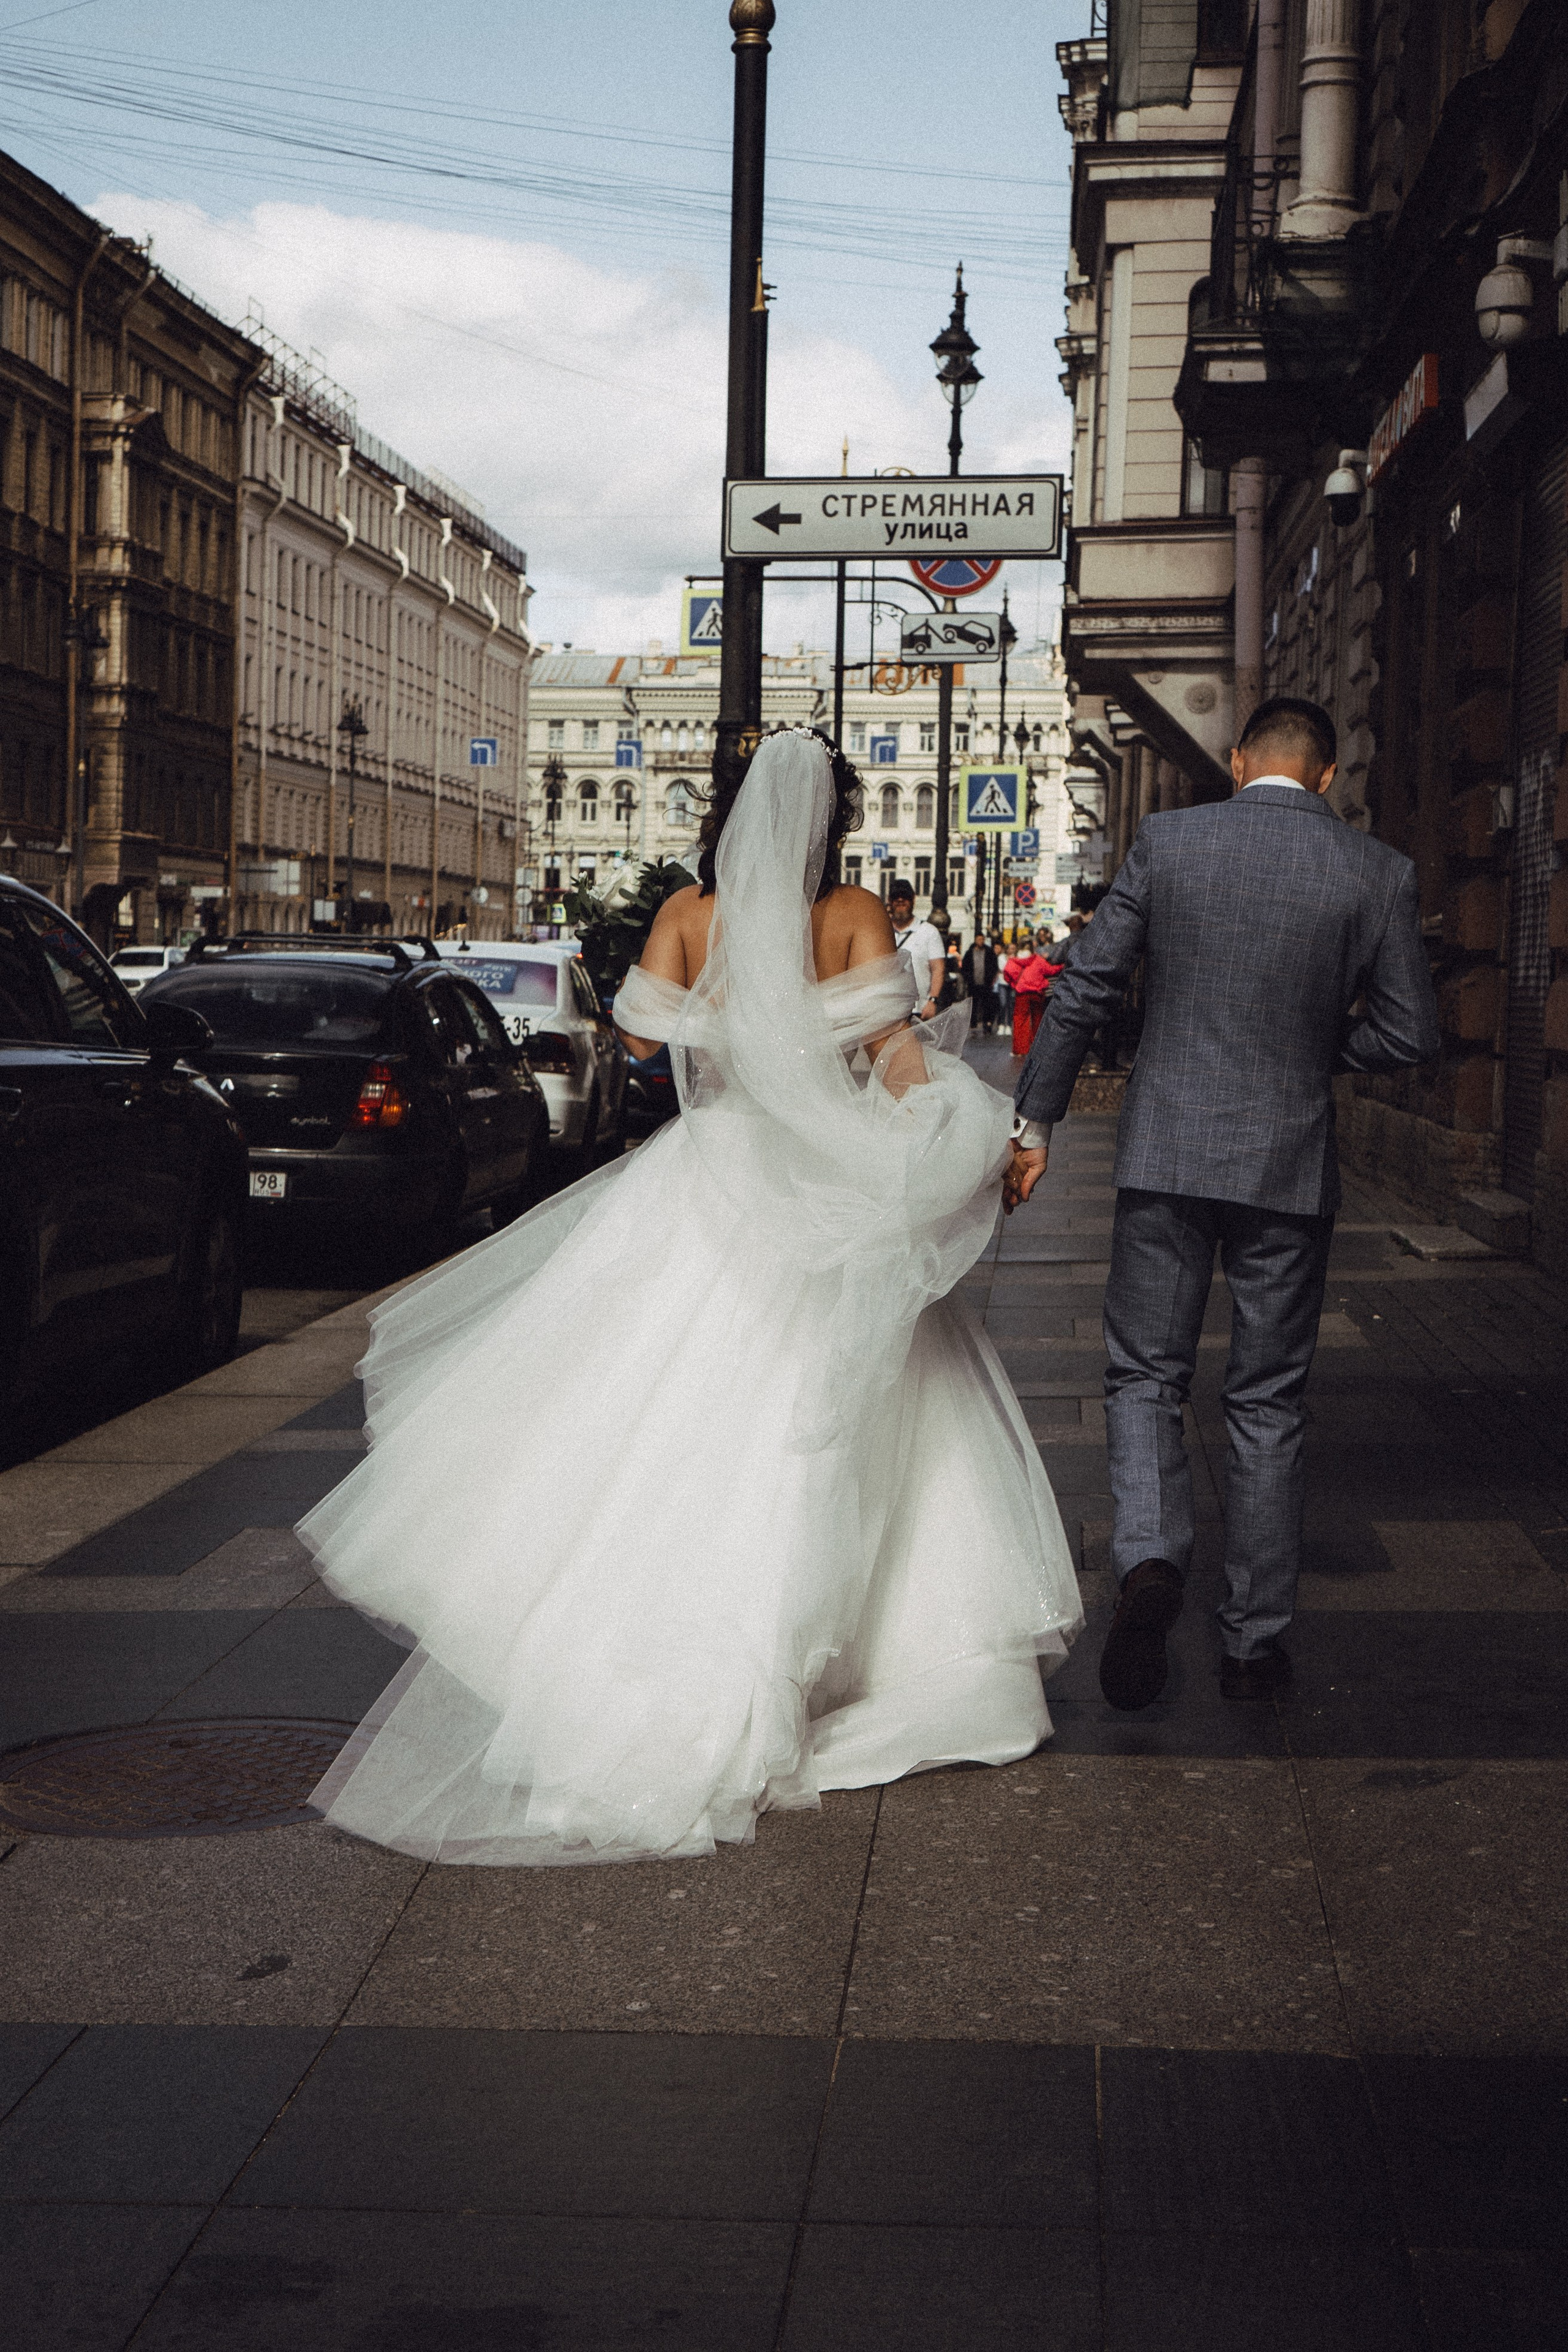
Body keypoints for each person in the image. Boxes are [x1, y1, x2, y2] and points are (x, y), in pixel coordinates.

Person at [301, 726, 1081, 1865]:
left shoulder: (685, 915)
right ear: (833, 828)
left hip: (710, 1178)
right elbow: (901, 1060)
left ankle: (638, 1657)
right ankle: (864, 1661)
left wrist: (729, 1028)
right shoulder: (854, 914)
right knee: (846, 1409)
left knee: (666, 1403)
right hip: (830, 1182)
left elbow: (640, 1041)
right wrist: (952, 1141)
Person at [1007, 695, 1437, 1709]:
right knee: (1267, 1399)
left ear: (1240, 761)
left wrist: (1035, 1125)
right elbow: (1413, 1036)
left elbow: (1082, 990)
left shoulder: (1170, 840)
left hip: (1165, 1156)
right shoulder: (1376, 872)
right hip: (1288, 1169)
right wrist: (1316, 1049)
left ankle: (1152, 1563)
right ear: (1327, 777)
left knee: (1145, 1374)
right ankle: (1253, 1642)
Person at [887, 877, 945, 1022]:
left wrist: (933, 1001)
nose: (900, 900)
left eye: (905, 897)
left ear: (913, 899)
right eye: (896, 897)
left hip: (919, 1011)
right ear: (889, 900)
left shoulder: (929, 932)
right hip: (887, 1012)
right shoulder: (881, 932)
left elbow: (938, 969)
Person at [1003, 937, 1062, 1058]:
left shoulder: (1013, 961)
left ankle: (1020, 1049)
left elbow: (1007, 975)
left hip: (1022, 994)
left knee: (1020, 1020)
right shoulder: (1038, 960)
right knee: (1037, 1019)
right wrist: (1063, 966)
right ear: (1032, 947)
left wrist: (1015, 985)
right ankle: (1036, 1047)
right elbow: (1051, 971)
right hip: (1037, 994)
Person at [965, 932, 998, 1033]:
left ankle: (987, 1023)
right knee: (973, 1004)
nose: (981, 941)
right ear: (975, 940)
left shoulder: (989, 952)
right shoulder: (970, 952)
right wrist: (968, 978)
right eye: (979, 939)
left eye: (982, 939)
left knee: (987, 1004)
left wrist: (992, 977)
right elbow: (965, 967)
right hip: (973, 983)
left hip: (986, 983)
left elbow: (994, 966)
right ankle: (973, 1022)